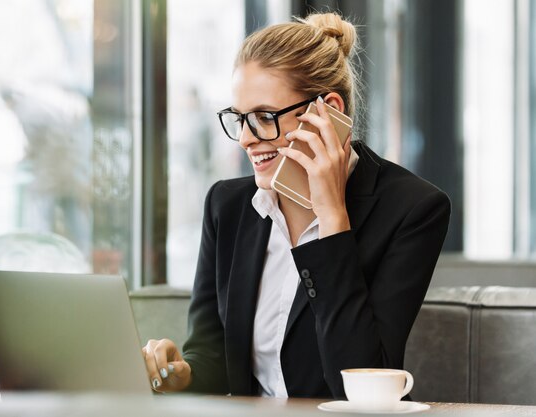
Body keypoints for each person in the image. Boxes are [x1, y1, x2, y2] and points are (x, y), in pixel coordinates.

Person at [142, 11, 451, 399]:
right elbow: (215, 359)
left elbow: (361, 390)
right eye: (240, 119)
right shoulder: (228, 206)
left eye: (264, 117)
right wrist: (180, 375)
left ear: (328, 110)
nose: (246, 140)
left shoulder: (413, 210)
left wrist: (332, 220)